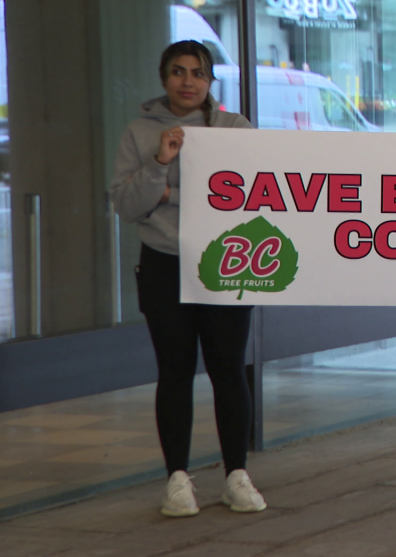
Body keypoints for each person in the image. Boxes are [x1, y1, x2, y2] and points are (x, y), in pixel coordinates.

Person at [109, 40, 267, 517]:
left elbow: (249, 192)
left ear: (209, 80)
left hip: (226, 261)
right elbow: (126, 203)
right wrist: (159, 163)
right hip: (163, 263)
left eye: (197, 73)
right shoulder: (139, 133)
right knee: (174, 372)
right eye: (177, 72)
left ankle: (236, 475)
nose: (187, 81)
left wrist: (170, 191)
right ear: (164, 79)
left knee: (228, 368)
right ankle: (177, 479)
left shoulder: (235, 129)